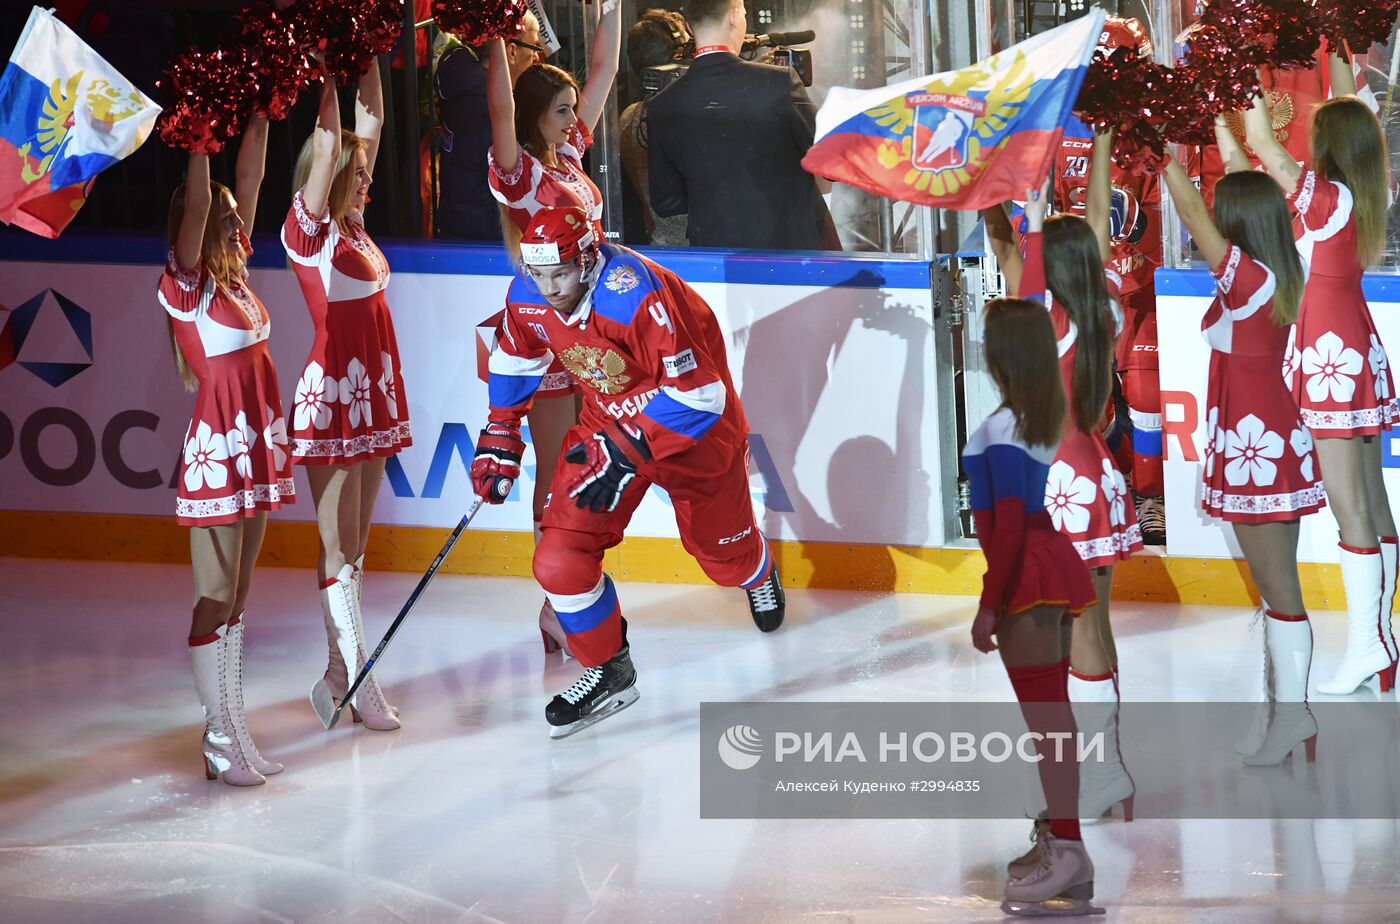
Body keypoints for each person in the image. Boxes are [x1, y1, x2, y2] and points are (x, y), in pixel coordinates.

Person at [470, 206, 786, 738]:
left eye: (561, 273)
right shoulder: (526, 292)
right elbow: (515, 353)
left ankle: (756, 569)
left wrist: (624, 448)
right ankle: (608, 670)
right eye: (538, 273)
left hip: (692, 433)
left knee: (723, 561)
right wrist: (501, 430)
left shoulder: (632, 293)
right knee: (558, 557)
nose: (548, 287)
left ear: (588, 259)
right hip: (608, 420)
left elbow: (702, 395)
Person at [983, 139, 1142, 823]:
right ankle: (1105, 772)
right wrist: (1100, 140)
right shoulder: (1100, 302)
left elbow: (1013, 237)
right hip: (1093, 473)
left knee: (1052, 640)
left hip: (1056, 482)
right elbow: (1088, 235)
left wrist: (1006, 179)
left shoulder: (1044, 318)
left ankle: (1083, 776)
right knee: (1092, 628)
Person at [1234, 85, 1400, 696]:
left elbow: (1263, 146)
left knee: (1351, 505)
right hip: (1350, 347)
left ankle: (1368, 645)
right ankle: (1378, 644)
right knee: (1371, 501)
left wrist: (1236, 67)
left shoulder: (1331, 200)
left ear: (1333, 146)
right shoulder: (1356, 196)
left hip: (1332, 355)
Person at [1161, 148, 1324, 764]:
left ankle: (1294, 716)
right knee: (1274, 589)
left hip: (1258, 443)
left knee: (1278, 590)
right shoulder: (1275, 271)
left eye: (1223, 217)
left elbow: (1189, 212)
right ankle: (1283, 711)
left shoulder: (1250, 278)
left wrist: (1158, 154)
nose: (1214, 228)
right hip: (1264, 437)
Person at [159, 116, 293, 785]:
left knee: (239, 600)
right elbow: (212, 196)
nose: (238, 223)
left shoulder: (236, 280)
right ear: (200, 222)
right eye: (224, 216)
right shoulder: (187, 288)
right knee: (214, 599)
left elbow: (251, 177)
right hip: (217, 453)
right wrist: (199, 137)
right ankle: (216, 736)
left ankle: (234, 726)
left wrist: (262, 110)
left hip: (255, 448)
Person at [486, 1, 622, 655]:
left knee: (585, 460)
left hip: (588, 319)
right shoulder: (523, 174)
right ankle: (559, 601)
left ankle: (570, 590)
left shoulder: (567, 159)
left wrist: (612, 9)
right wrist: (490, 38)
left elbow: (604, 69)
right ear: (537, 115)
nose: (575, 118)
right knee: (555, 469)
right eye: (562, 110)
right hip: (545, 329)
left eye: (572, 110)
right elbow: (500, 114)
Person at [964, 276, 1099, 916]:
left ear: (1001, 358)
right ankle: (1066, 844)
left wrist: (991, 603)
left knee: (1049, 727)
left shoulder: (1005, 428)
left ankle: (1068, 848)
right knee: (1054, 723)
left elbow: (1010, 527)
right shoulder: (1030, 419)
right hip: (1049, 568)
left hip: (1028, 578)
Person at [284, 65, 409, 730]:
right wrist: (323, 68)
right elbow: (333, 140)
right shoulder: (309, 233)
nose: (366, 181)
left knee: (354, 548)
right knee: (338, 549)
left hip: (370, 395)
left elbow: (372, 123)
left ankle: (337, 673)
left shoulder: (354, 225)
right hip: (331, 396)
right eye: (354, 176)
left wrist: (365, 47)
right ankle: (359, 677)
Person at [1054, 17, 1166, 544]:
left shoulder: (1153, 129)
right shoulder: (1057, 127)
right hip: (1084, 290)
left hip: (1135, 290)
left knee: (1145, 392)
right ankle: (1112, 479)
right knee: (1085, 402)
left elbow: (1159, 219)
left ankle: (1149, 495)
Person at [646, 0, 839, 250]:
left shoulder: (662, 104)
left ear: (689, 27)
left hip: (716, 254)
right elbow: (829, 162)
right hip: (794, 252)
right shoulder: (778, 82)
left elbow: (666, 203)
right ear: (735, 17)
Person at [433, 10, 546, 240]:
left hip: (462, 230)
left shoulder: (468, 91)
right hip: (487, 241)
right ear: (512, 51)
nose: (538, 58)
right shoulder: (486, 107)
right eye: (535, 48)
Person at [619, 8, 691, 246]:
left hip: (658, 246)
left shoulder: (628, 117)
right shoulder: (685, 116)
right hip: (699, 248)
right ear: (679, 55)